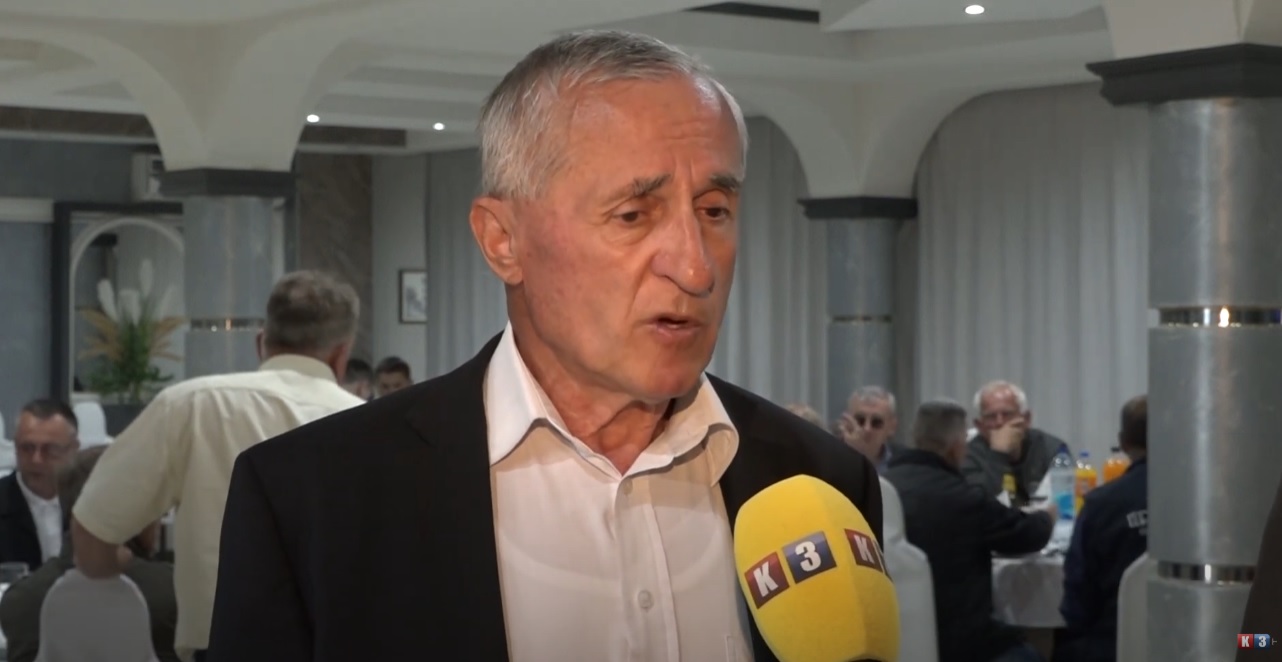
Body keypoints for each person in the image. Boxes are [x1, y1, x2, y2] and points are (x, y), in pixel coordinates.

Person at [205, 30, 882, 662]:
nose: (695, 266)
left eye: (714, 211)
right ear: (503, 241)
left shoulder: (822, 481)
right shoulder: (312, 498)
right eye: (633, 214)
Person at [70, 270, 367, 662]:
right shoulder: (371, 425)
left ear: (261, 342)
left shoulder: (190, 405)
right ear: (341, 355)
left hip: (225, 647)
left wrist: (121, 574)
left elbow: (90, 537)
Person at [886, 400, 1055, 662]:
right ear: (956, 447)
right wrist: (1047, 518)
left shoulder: (881, 487)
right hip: (960, 644)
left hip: (892, 640)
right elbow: (1027, 536)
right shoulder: (961, 498)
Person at [0, 446, 180, 662]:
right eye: (155, 507)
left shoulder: (19, 602)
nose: (159, 517)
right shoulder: (175, 594)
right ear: (136, 511)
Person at [1056, 395, 1148, 662]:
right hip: (1198, 638)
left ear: (1122, 442)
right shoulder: (1206, 502)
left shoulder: (1100, 504)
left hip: (1111, 644)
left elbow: (1077, 598)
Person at [0, 399, 79, 570]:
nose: (36, 459)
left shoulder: (89, 503)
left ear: (74, 449)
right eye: (27, 448)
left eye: (50, 449)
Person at [962, 380, 1067, 504]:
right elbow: (978, 504)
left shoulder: (1051, 449)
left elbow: (1066, 500)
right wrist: (998, 454)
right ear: (979, 426)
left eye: (1007, 414)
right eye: (991, 417)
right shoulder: (966, 456)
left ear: (1026, 419)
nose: (1000, 423)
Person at [836, 386, 906, 473]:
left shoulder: (905, 463)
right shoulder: (828, 458)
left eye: (876, 422)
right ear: (846, 421)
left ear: (892, 427)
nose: (867, 428)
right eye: (860, 420)